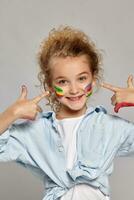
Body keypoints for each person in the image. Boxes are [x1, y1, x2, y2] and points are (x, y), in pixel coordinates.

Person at [0, 26, 134, 200]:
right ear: (49, 86)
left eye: (82, 78)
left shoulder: (108, 127)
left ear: (93, 80)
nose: (74, 89)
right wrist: (12, 113)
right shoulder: (36, 131)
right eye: (63, 81)